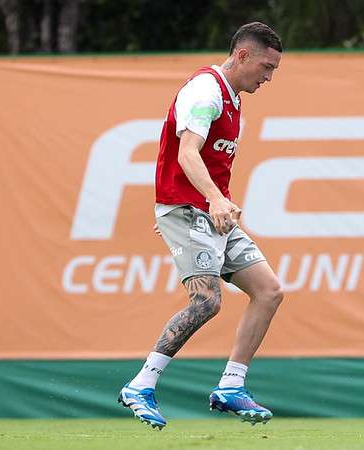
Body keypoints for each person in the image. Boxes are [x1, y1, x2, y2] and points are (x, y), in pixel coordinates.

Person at [117, 22, 284, 430]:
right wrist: (207, 201)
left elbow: (202, 162)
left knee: (269, 291)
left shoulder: (234, 98)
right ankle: (141, 384)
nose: (268, 77)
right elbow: (188, 153)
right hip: (189, 209)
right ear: (242, 55)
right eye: (266, 66)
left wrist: (213, 203)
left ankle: (231, 386)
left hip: (208, 212)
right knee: (207, 301)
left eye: (274, 69)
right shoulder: (205, 91)